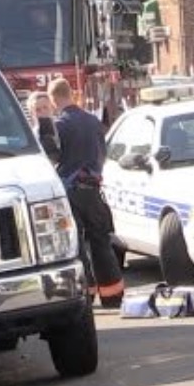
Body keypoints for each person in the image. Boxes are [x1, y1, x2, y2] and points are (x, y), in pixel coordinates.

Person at [48, 77, 124, 308]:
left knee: (78, 245)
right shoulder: (93, 122)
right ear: (71, 94)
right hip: (93, 190)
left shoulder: (59, 126)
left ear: (53, 100)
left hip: (71, 192)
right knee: (101, 241)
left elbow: (54, 158)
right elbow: (102, 154)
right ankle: (113, 295)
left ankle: (87, 294)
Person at [27, 90, 61, 163]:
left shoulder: (63, 127)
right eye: (37, 110)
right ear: (32, 114)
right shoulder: (31, 136)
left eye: (45, 107)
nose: (43, 112)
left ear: (52, 108)